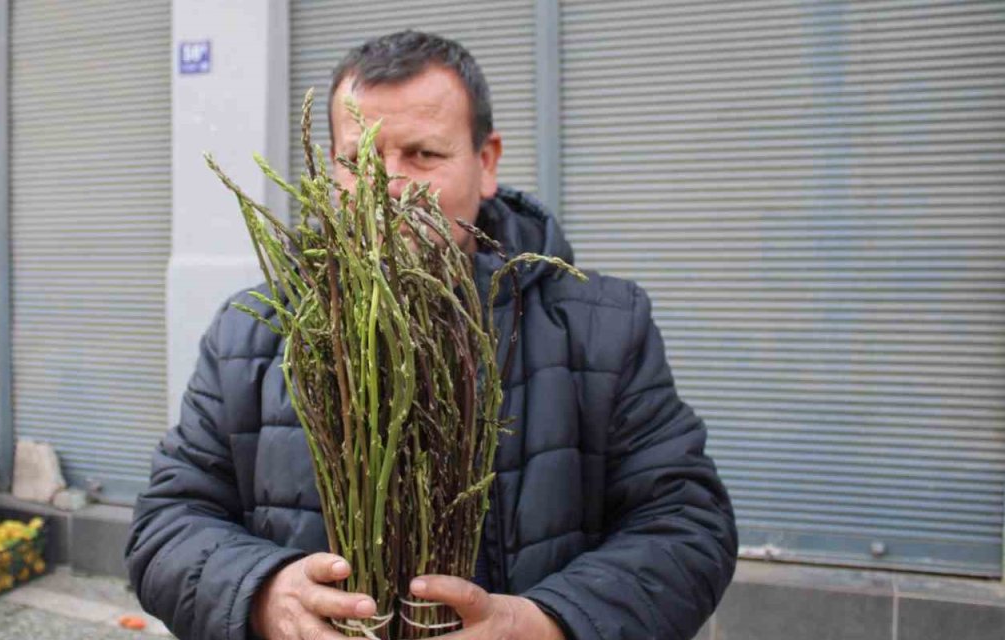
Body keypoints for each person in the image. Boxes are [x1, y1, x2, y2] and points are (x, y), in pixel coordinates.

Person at [127, 30, 737, 640]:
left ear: (487, 162)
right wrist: (261, 593)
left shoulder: (603, 325)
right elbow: (167, 522)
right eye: (357, 159)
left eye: (423, 155)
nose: (389, 189)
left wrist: (549, 623)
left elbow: (687, 527)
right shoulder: (251, 331)